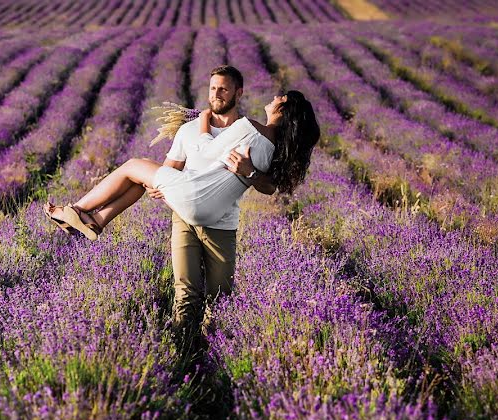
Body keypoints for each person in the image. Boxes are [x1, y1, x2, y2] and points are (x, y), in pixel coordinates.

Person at [45, 65, 319, 342]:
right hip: (196, 209)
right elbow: (270, 184)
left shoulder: (245, 128)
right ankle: (94, 219)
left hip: (199, 205)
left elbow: (209, 151)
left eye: (279, 99)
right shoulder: (275, 151)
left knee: (131, 166)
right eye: (213, 88)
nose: (273, 99)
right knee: (141, 180)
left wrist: (203, 123)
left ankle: (79, 210)